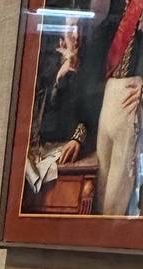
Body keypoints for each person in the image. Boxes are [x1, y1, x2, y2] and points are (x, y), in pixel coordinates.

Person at [59, 2, 143, 215]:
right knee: (100, 197)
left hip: (131, 101)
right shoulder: (115, 13)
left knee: (116, 206)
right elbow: (92, 80)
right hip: (108, 99)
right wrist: (79, 134)